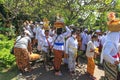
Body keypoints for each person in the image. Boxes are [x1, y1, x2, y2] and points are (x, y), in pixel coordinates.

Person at [100, 12, 120, 80]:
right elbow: (105, 54)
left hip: (112, 64)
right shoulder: (110, 43)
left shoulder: (113, 43)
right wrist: (114, 60)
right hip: (110, 64)